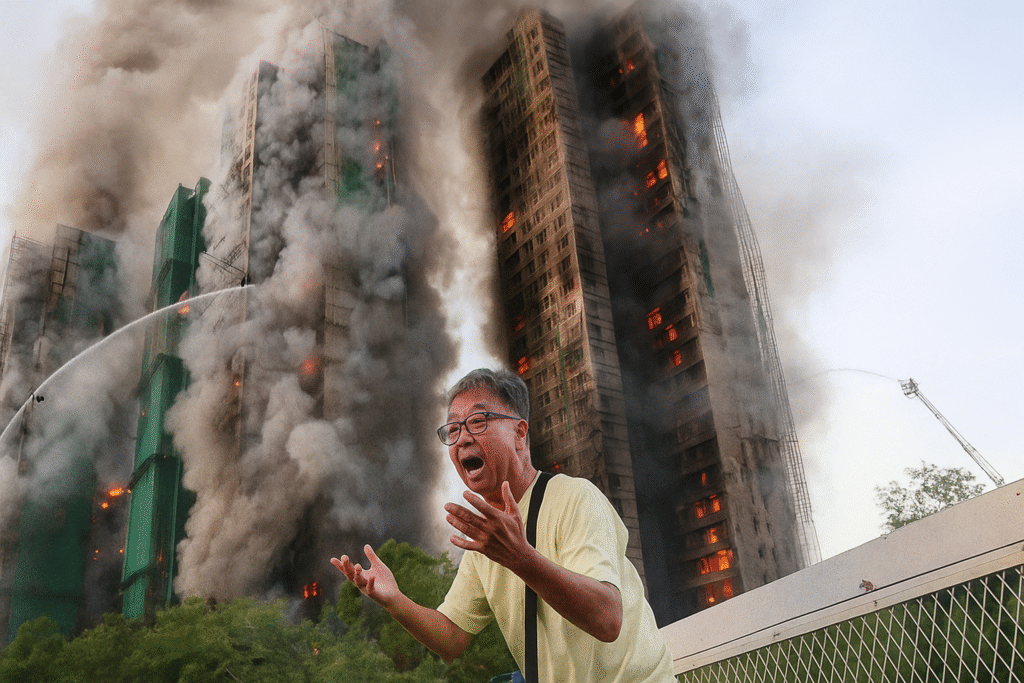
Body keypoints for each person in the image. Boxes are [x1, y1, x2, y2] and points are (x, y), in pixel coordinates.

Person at [332, 368, 675, 682]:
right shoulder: (488, 543)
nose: (462, 438)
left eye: (478, 421)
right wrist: (395, 601)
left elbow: (607, 619)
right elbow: (451, 638)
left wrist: (520, 557)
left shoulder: (575, 498)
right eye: (453, 429)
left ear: (519, 433)